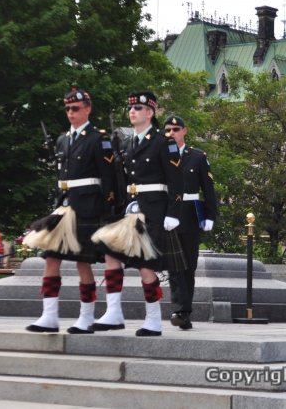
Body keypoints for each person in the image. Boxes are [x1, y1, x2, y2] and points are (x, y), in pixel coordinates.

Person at [91, 92, 184, 337]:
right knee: (110, 253)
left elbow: (176, 179)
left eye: (139, 108)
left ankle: (153, 318)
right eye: (131, 108)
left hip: (154, 208)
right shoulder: (128, 141)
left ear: (150, 112)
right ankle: (113, 311)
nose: (132, 112)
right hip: (131, 207)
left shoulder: (164, 141)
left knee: (146, 265)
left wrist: (173, 212)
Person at [25, 88, 116, 334]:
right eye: (67, 109)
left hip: (88, 207)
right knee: (51, 258)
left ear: (88, 109)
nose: (70, 113)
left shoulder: (99, 138)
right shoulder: (63, 139)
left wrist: (109, 211)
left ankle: (86, 317)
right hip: (64, 205)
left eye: (75, 108)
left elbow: (108, 178)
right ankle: (49, 315)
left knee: (81, 264)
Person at [162, 114, 217, 331]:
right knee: (174, 266)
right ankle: (180, 311)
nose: (171, 133)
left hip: (190, 216)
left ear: (184, 131)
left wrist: (210, 216)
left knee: (188, 267)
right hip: (168, 216)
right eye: (167, 130)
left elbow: (208, 190)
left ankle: (184, 310)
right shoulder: (161, 156)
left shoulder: (197, 157)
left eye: (175, 129)